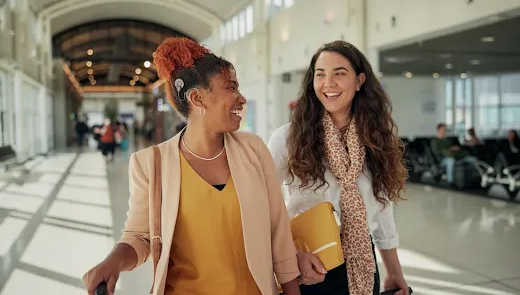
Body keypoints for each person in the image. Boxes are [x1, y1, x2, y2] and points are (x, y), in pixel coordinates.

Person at [83, 37, 301, 295]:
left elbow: (279, 235)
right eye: (231, 87)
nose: (241, 98)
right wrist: (114, 260)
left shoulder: (253, 151)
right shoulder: (151, 164)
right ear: (197, 98)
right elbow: (139, 237)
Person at [268, 40, 409, 295]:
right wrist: (290, 254)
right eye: (320, 75)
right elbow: (260, 203)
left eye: (339, 73)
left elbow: (382, 207)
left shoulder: (376, 138)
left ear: (359, 81)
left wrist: (394, 270)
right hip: (308, 264)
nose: (328, 83)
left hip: (363, 261)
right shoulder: (288, 138)